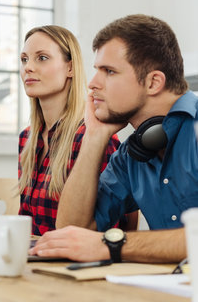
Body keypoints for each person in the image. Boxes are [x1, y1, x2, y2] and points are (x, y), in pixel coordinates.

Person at [30, 14, 197, 263]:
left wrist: (112, 244)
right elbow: (71, 231)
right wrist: (94, 136)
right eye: (97, 70)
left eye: (109, 71)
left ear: (153, 82)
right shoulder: (132, 153)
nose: (93, 84)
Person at [18, 25, 121, 236]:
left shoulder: (92, 135)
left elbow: (115, 225)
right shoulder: (27, 139)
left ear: (70, 68)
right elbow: (27, 223)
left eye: (42, 58)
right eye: (24, 59)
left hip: (78, 261)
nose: (28, 67)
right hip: (36, 256)